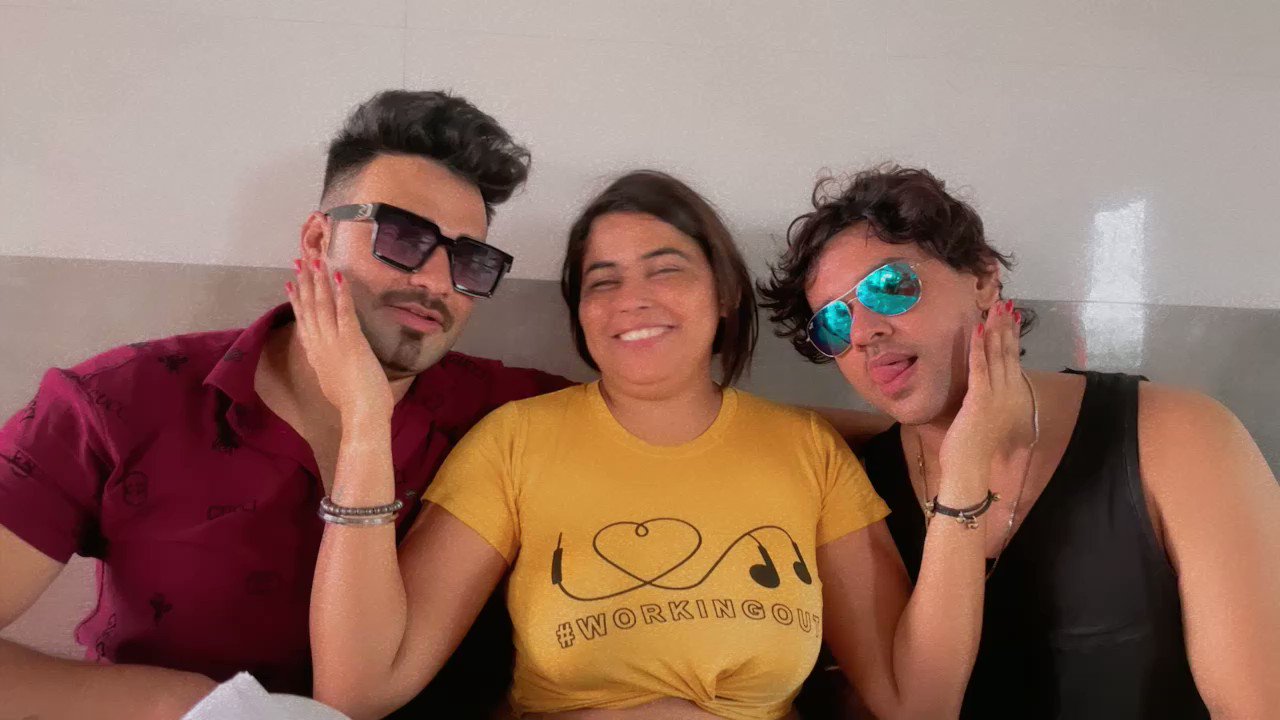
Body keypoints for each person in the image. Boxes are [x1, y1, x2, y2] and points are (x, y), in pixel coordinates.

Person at [296, 169, 1028, 720]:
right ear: (581, 314)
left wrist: (963, 471)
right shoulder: (515, 443)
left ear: (724, 293)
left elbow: (918, 703)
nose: (632, 300)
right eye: (601, 282)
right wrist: (364, 423)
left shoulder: (809, 452)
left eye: (667, 269)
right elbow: (358, 688)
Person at [0, 89, 571, 719]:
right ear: (318, 239)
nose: (437, 281)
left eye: (471, 260)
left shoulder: (510, 415)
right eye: (403, 237)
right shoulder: (117, 404)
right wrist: (190, 706)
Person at [761, 166, 1280, 718]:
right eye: (833, 324)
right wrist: (965, 463)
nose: (864, 332)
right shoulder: (856, 490)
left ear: (982, 279)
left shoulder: (1178, 435)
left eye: (888, 288)